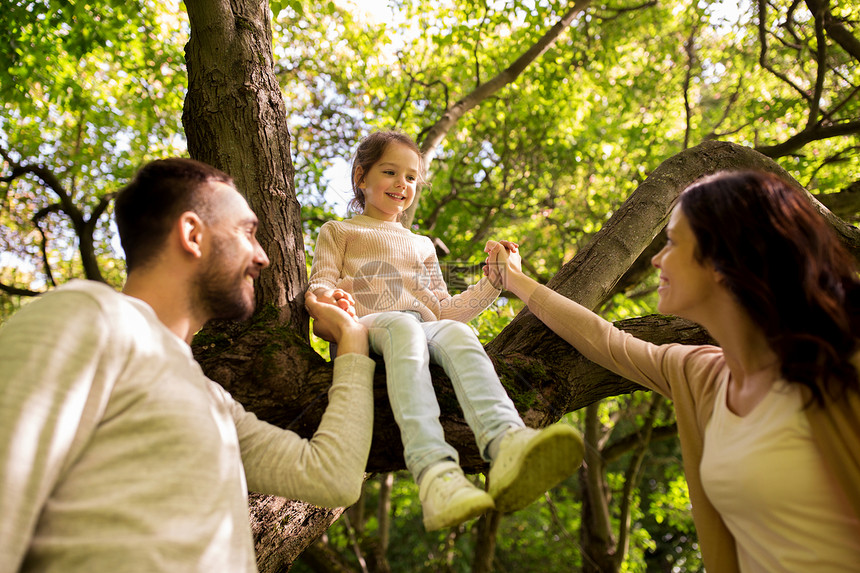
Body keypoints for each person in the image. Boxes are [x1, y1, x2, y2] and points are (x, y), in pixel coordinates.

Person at [0, 158, 375, 572]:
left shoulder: (213, 402)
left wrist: (352, 338)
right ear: (193, 234)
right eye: (247, 233)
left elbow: (333, 477)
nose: (263, 257)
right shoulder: (89, 317)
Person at [486, 169, 860, 572]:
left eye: (672, 242)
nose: (656, 258)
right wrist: (513, 278)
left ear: (723, 258)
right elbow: (601, 339)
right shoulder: (702, 377)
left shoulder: (842, 369)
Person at [307, 130, 584, 532]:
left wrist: (493, 281)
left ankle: (506, 442)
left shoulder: (421, 245)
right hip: (363, 330)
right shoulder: (340, 231)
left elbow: (444, 310)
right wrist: (334, 300)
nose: (402, 184)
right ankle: (435, 474)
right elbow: (319, 284)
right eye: (390, 172)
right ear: (361, 178)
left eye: (411, 178)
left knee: (458, 336)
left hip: (419, 330)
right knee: (403, 323)